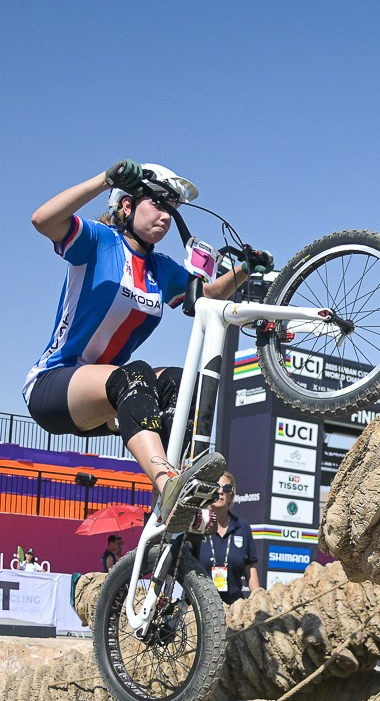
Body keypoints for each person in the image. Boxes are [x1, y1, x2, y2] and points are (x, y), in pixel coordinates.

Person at [22, 160, 270, 533]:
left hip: (109, 399)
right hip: (53, 386)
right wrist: (105, 179)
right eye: (157, 204)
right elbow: (42, 220)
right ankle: (168, 485)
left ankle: (176, 501)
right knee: (135, 374)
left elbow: (205, 296)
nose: (167, 217)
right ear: (126, 206)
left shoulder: (160, 267)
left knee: (179, 382)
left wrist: (244, 269)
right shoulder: (99, 241)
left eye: (172, 210)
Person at [196, 472, 261, 603]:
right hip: (200, 608)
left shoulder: (242, 527)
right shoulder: (196, 524)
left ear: (231, 496)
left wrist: (258, 600)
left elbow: (250, 568)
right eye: (216, 486)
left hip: (234, 609)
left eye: (226, 488)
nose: (220, 491)